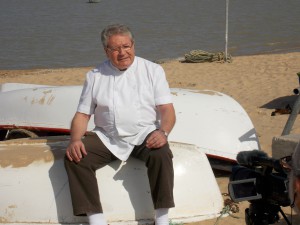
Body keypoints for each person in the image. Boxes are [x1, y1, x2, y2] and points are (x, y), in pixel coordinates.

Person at [64, 24, 176, 225]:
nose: (122, 53)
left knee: (162, 154)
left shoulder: (153, 70)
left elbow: (167, 109)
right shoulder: (95, 76)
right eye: (115, 49)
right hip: (107, 137)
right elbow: (82, 114)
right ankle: (96, 219)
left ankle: (162, 218)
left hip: (144, 134)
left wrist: (163, 132)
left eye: (126, 46)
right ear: (106, 51)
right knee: (75, 158)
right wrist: (75, 140)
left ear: (133, 45)